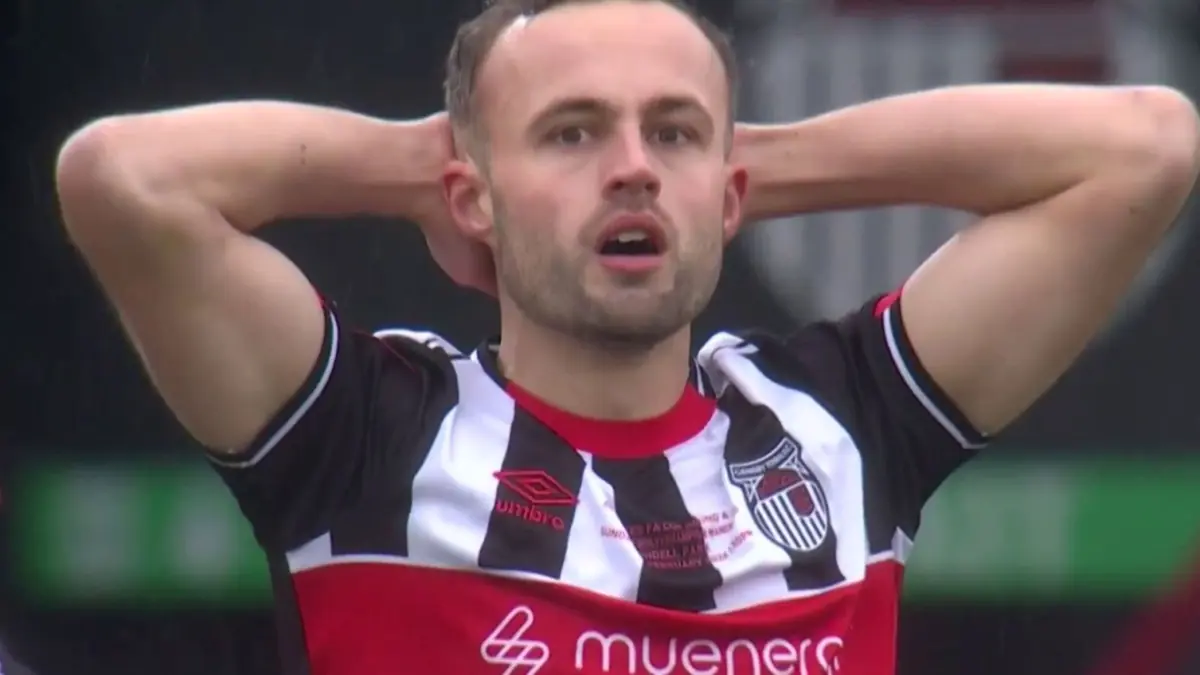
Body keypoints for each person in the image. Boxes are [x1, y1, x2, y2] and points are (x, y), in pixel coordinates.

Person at [53, 0, 1198, 673]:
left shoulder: (840, 423)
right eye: (572, 133)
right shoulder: (365, 439)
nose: (634, 167)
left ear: (732, 192)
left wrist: (745, 164)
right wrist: (426, 168)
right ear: (471, 197)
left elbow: (1145, 148)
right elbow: (124, 178)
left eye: (675, 133)